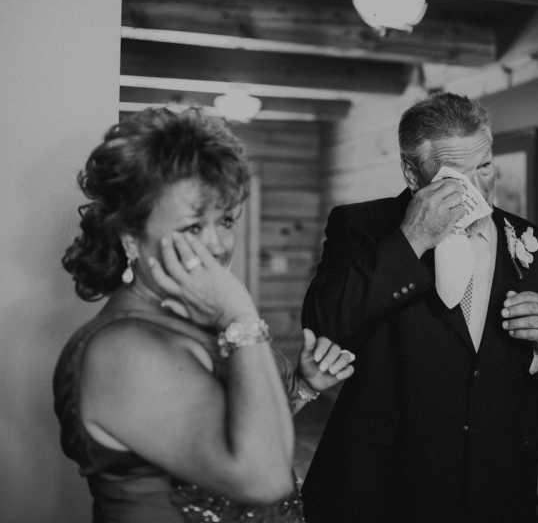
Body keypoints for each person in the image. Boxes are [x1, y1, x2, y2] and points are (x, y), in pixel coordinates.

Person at [300, 92, 538, 523]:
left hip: (495, 484)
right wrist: (410, 241)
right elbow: (325, 323)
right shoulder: (360, 227)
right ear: (413, 174)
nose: (477, 188)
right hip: (382, 484)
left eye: (486, 167)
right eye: (457, 175)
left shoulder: (535, 244)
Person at [53, 107, 355, 523]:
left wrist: (302, 387)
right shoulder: (121, 350)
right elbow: (263, 481)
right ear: (131, 237)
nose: (218, 245)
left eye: (226, 219)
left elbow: (234, 435)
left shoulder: (200, 316)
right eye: (194, 226)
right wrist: (241, 312)